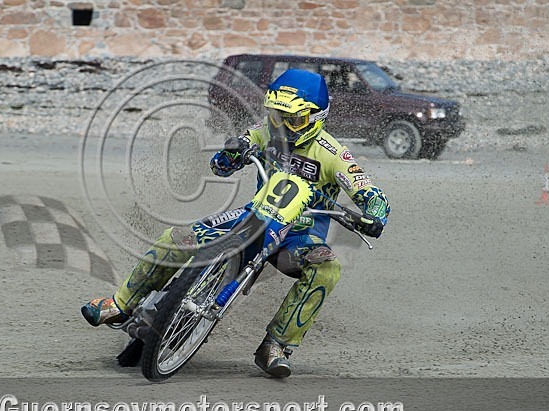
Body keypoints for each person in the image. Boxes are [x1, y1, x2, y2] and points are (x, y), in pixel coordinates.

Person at [81, 69, 390, 378]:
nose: (284, 126)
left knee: (327, 268)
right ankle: (120, 304)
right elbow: (222, 164)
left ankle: (276, 345)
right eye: (277, 115)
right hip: (252, 217)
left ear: (316, 117)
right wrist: (232, 153)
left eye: (293, 119)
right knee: (178, 236)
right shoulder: (263, 131)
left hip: (299, 237)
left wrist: (374, 213)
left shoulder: (334, 154)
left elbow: (368, 191)